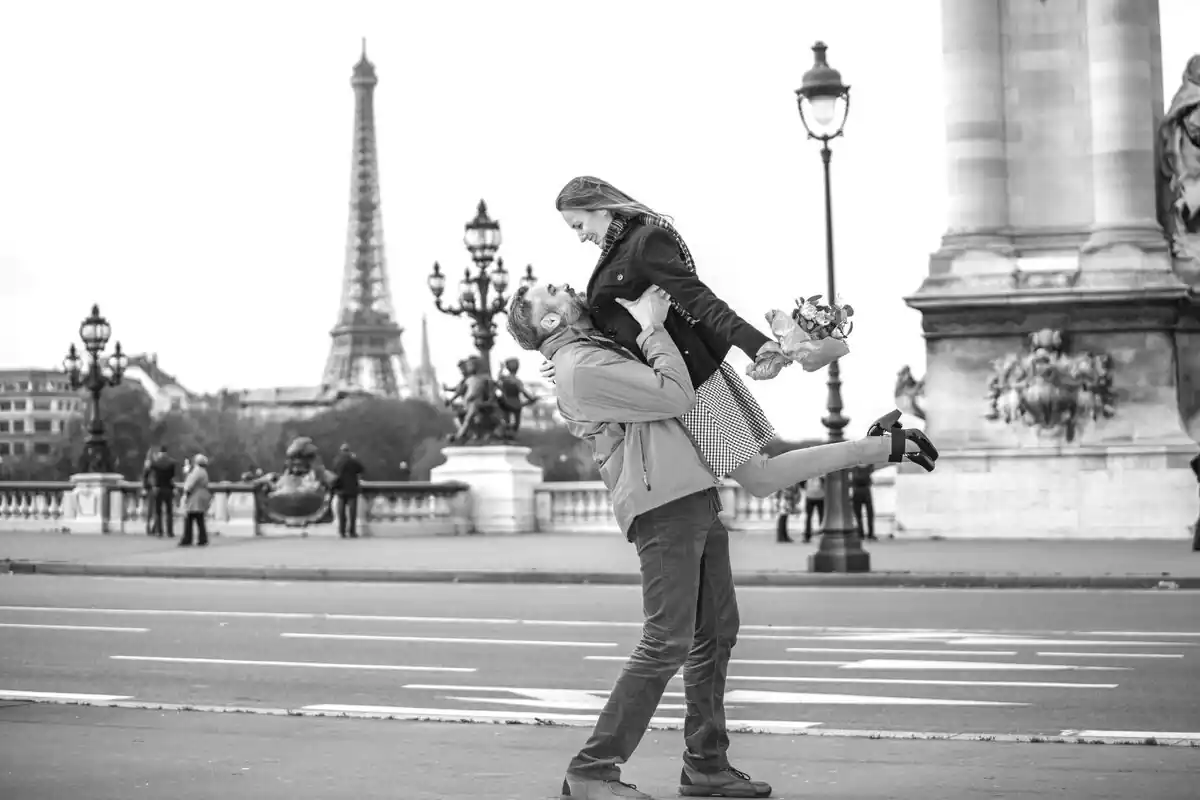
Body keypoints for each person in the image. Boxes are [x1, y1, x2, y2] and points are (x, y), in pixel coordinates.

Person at [506, 282, 936, 799]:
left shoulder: (589, 350)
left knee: (715, 634)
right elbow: (674, 393)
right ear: (551, 322)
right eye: (547, 292)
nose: (561, 285)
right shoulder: (581, 366)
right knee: (666, 641)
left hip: (688, 491)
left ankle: (706, 764)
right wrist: (652, 327)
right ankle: (592, 771)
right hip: (662, 502)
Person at [547, 176, 934, 490]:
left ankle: (882, 445)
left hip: (688, 381)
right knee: (722, 482)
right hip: (660, 382)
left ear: (600, 208)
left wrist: (758, 345)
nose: (580, 236)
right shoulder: (618, 253)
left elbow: (700, 300)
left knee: (759, 479)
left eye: (578, 225)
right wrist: (569, 360)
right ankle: (882, 444)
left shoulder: (644, 243)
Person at [332, 444, 365, 539]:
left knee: (341, 512)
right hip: (351, 489)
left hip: (340, 489)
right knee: (352, 513)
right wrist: (355, 458)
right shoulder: (353, 461)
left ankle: (342, 531)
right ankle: (352, 531)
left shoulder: (337, 461)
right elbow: (361, 469)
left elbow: (334, 471)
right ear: (349, 451)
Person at [179, 454, 212, 547]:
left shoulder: (197, 471)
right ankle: (202, 538)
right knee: (199, 518)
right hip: (201, 496)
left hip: (195, 496)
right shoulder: (204, 471)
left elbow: (190, 483)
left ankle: (187, 538)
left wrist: (186, 492)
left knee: (189, 518)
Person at [148, 446, 177, 538]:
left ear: (160, 452)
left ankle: (159, 531)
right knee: (169, 511)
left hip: (158, 488)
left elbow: (151, 474)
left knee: (158, 511)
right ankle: (170, 531)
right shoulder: (172, 463)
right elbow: (173, 477)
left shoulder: (155, 462)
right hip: (168, 488)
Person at [850, 464, 876, 540]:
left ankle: (860, 533)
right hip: (866, 491)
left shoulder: (854, 468)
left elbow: (851, 481)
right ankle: (870, 534)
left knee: (858, 514)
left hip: (856, 491)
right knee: (870, 513)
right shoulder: (869, 467)